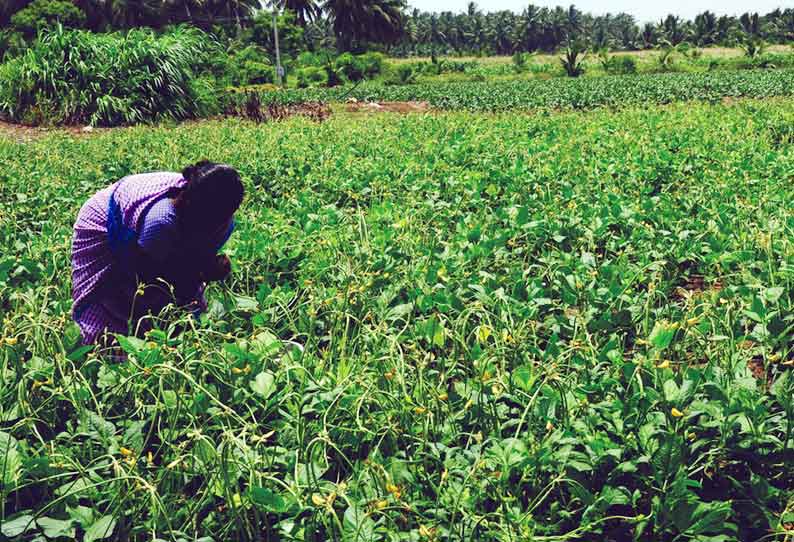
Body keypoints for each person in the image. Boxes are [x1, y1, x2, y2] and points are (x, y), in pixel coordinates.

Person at [71, 161, 244, 346]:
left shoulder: (221, 221)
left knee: (184, 316)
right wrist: (202, 272)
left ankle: (165, 343)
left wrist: (204, 267)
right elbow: (149, 278)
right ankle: (105, 350)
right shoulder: (161, 221)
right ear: (193, 206)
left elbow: (191, 261)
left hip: (153, 236)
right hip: (105, 220)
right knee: (117, 304)